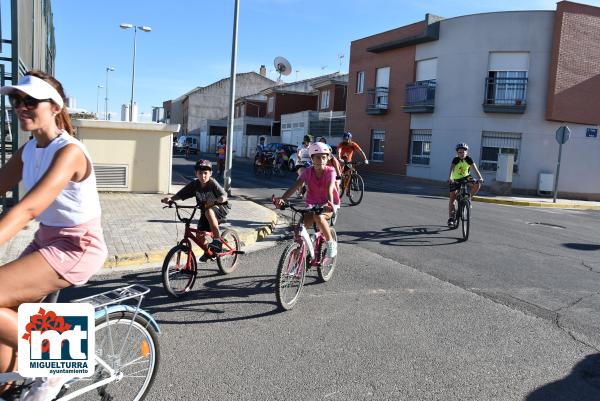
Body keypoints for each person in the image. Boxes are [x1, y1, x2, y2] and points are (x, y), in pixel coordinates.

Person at [0, 71, 108, 401]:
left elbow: (27, 210)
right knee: (9, 316)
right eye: (15, 100)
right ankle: (8, 385)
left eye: (29, 100)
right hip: (47, 240)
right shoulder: (29, 150)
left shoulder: (70, 152)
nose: (20, 106)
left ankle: (61, 360)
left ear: (55, 107)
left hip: (77, 246)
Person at [274, 142, 340, 258]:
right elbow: (295, 186)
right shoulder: (308, 172)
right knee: (298, 229)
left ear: (328, 158)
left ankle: (331, 243)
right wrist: (283, 199)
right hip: (312, 204)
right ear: (312, 159)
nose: (321, 160)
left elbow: (329, 188)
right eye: (317, 157)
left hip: (329, 203)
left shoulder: (330, 171)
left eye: (324, 157)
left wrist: (329, 203)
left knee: (319, 217)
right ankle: (296, 261)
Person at [161, 159, 229, 262]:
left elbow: (224, 195)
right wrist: (171, 199)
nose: (203, 176)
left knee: (208, 211)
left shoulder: (212, 183)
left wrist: (219, 199)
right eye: (200, 173)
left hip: (220, 209)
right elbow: (181, 194)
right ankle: (209, 252)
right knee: (199, 235)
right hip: (205, 212)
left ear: (210, 173)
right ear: (196, 173)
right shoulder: (195, 184)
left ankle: (217, 241)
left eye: (205, 173)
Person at [447, 142, 484, 227]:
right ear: (457, 153)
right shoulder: (455, 159)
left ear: (466, 152)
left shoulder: (469, 159)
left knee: (477, 184)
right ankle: (451, 218)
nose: (461, 154)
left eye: (463, 152)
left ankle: (469, 198)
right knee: (452, 198)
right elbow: (451, 169)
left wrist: (480, 178)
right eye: (460, 152)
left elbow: (475, 169)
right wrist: (450, 178)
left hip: (466, 177)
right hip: (455, 179)